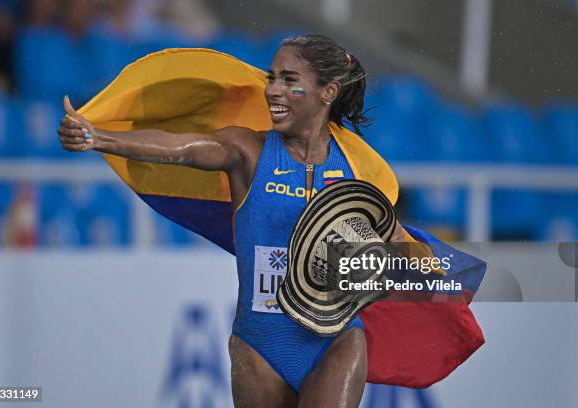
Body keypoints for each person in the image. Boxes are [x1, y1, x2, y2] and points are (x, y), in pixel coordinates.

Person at [57, 34, 484, 407]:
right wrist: (102, 138)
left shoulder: (357, 172)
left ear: (327, 92)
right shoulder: (248, 152)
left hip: (335, 340)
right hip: (259, 343)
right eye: (272, 77)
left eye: (289, 81)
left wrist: (400, 267)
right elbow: (183, 147)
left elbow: (401, 249)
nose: (273, 91)